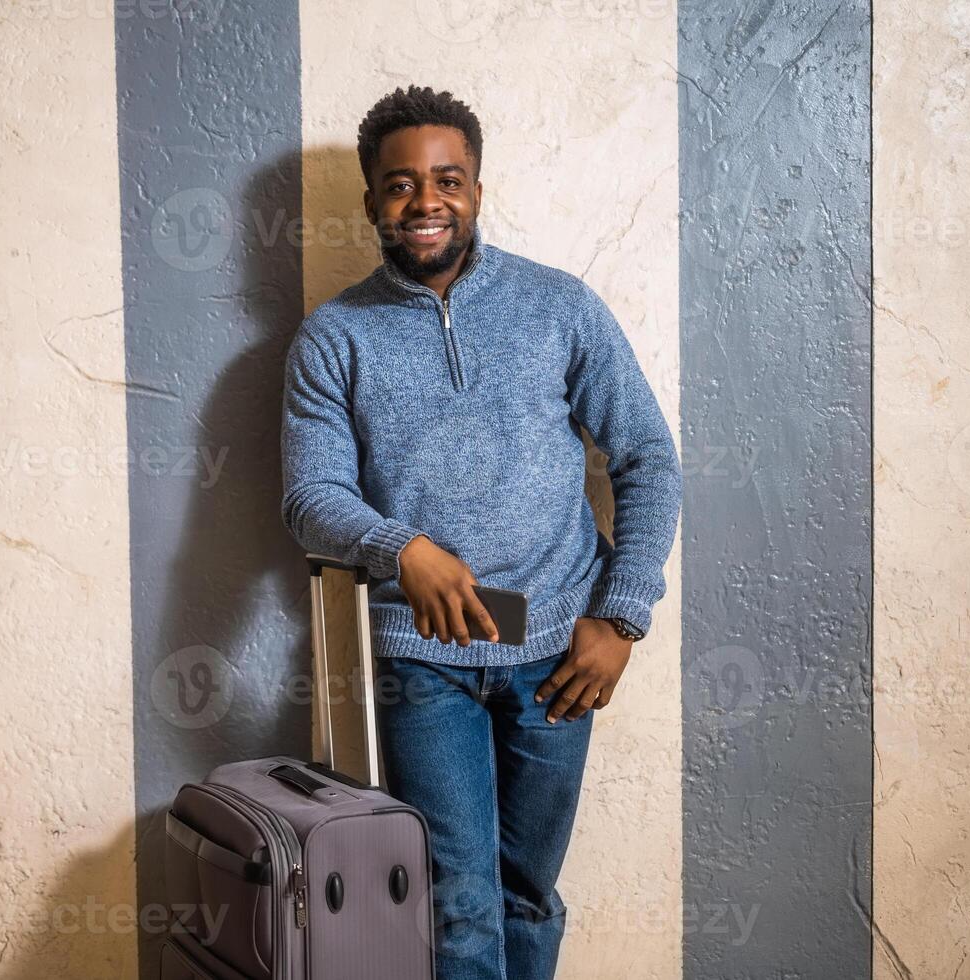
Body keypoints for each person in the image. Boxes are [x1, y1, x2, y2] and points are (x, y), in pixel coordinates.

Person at [279, 85, 682, 980]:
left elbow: (648, 458)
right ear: (372, 200)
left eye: (446, 180)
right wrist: (403, 549)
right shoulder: (334, 336)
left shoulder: (560, 308)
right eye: (400, 185)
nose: (425, 202)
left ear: (477, 189)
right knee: (459, 903)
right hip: (423, 658)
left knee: (527, 894)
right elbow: (310, 499)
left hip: (558, 658)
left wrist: (621, 619)